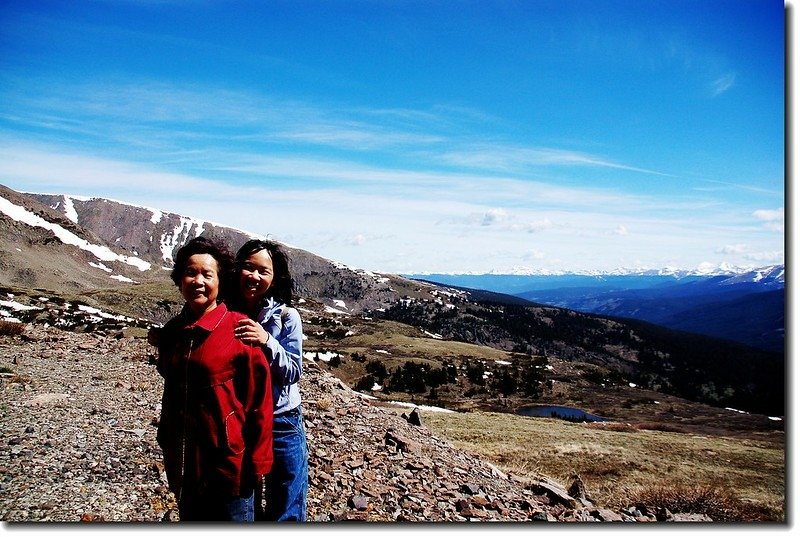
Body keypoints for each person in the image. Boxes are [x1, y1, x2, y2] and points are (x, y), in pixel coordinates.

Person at [154, 236, 274, 522]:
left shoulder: (238, 329)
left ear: (220, 282)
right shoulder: (172, 333)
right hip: (185, 465)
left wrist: (258, 462)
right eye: (190, 272)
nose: (198, 281)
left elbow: (260, 401)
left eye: (207, 274)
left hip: (231, 467)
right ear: (179, 280)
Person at [228, 239, 308, 522]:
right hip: (241, 420)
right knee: (243, 499)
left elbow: (293, 371)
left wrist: (266, 341)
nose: (254, 276)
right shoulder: (224, 312)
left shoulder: (287, 317)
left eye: (264, 271)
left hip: (281, 420)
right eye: (248, 268)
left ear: (274, 279)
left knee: (286, 502)